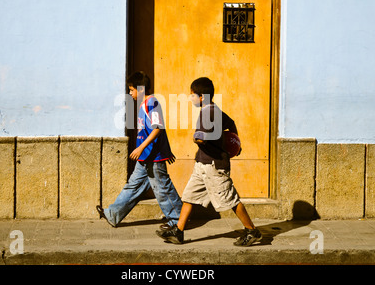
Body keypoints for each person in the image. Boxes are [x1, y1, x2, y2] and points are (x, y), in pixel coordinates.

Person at [156, 77, 262, 247]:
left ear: (202, 97)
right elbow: (231, 124)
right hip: (202, 164)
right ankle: (178, 231)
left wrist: (197, 139)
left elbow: (201, 138)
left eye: (192, 95)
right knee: (189, 196)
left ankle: (252, 231)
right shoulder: (215, 110)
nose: (190, 98)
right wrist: (235, 143)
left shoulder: (208, 113)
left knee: (231, 200)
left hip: (214, 166)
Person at [96, 72, 183, 228]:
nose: (130, 94)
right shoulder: (144, 105)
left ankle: (178, 220)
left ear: (140, 89)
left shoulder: (152, 103)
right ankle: (112, 214)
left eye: (131, 90)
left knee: (162, 188)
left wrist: (143, 148)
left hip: (153, 157)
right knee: (133, 186)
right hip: (145, 156)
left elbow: (158, 129)